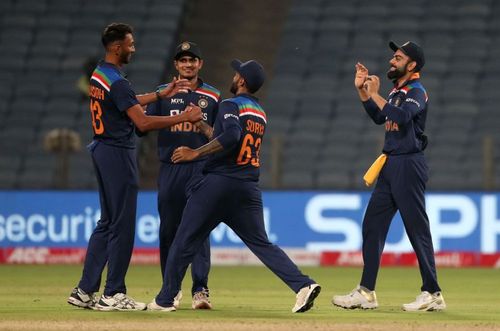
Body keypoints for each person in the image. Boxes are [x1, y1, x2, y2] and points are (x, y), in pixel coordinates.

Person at [145, 59, 321, 313]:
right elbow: (228, 137)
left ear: (241, 81)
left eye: (237, 73)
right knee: (262, 244)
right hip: (248, 187)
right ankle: (303, 285)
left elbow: (230, 136)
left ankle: (164, 300)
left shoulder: (229, 104)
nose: (234, 76)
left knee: (183, 240)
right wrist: (203, 126)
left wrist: (195, 153)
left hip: (219, 184)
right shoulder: (259, 112)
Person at [67, 23, 203, 311]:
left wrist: (158, 95)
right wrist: (186, 117)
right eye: (130, 44)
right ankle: (113, 293)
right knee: (122, 225)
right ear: (117, 47)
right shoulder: (117, 80)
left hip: (102, 149)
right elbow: (142, 122)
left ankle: (84, 290)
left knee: (106, 223)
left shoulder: (101, 74)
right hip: (117, 152)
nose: (133, 48)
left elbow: (125, 102)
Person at [332, 41, 446, 311]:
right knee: (372, 226)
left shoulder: (416, 91)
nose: (392, 61)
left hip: (408, 165)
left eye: (398, 57)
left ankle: (433, 293)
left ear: (412, 65)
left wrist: (376, 93)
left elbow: (403, 116)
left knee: (417, 230)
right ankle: (366, 292)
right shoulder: (398, 91)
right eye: (393, 56)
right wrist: (363, 92)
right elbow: (379, 117)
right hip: (390, 165)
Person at [139, 41, 220, 309]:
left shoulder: (214, 96)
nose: (188, 64)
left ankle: (200, 289)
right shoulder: (162, 94)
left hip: (200, 168)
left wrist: (201, 125)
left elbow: (218, 137)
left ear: (200, 64)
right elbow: (144, 126)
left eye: (192, 60)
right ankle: (169, 290)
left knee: (200, 228)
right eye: (183, 60)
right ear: (176, 65)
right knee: (168, 231)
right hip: (171, 168)